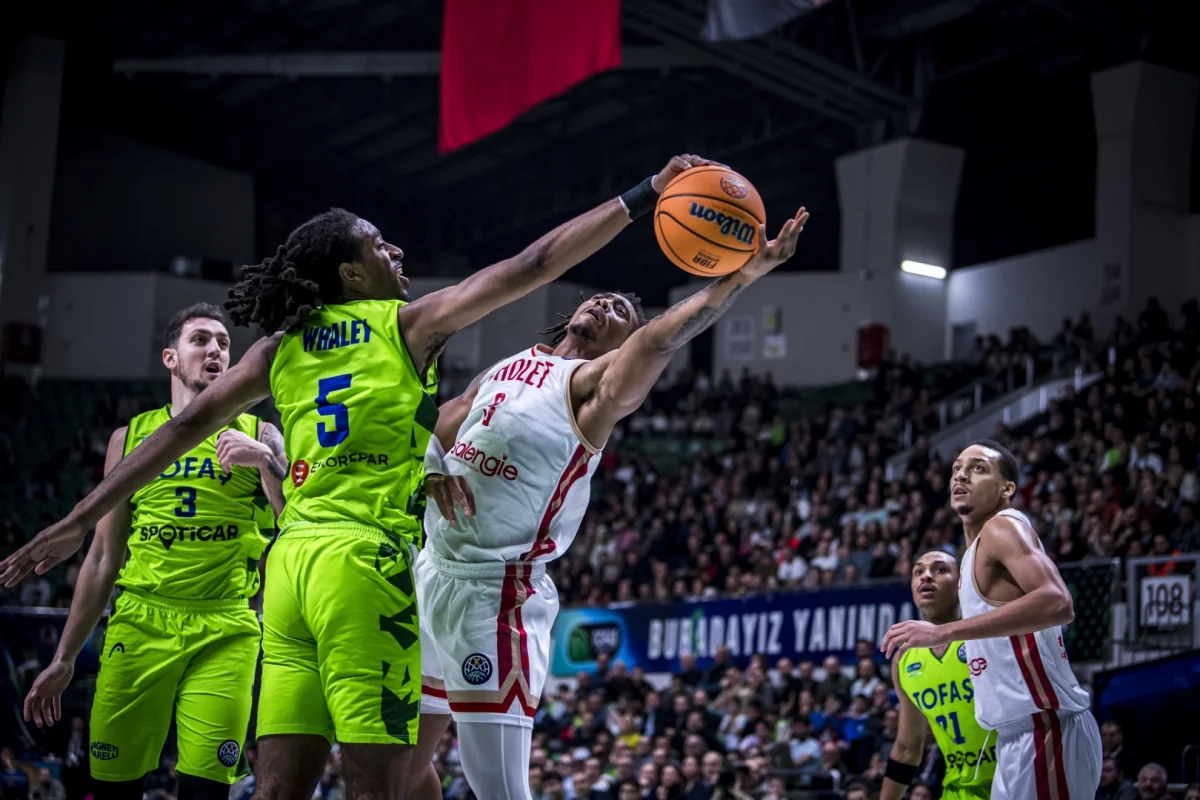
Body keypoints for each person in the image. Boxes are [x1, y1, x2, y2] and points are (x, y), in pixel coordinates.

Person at [0, 153, 713, 800]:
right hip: (361, 566)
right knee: (381, 787)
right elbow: (533, 263)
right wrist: (641, 194)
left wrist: (74, 519)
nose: (395, 251)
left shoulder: (279, 347)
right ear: (350, 273)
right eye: (378, 245)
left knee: (282, 790)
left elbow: (182, 429)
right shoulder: (403, 324)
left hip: (288, 572)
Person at [413, 206, 809, 800]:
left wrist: (744, 275)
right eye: (600, 299)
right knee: (399, 767)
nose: (606, 305)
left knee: (495, 787)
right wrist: (427, 473)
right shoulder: (508, 367)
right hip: (431, 571)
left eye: (622, 311)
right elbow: (437, 431)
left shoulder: (592, 391)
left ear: (622, 346)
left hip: (495, 595)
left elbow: (663, 334)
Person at [22, 304, 286, 800]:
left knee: (206, 791)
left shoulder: (260, 434)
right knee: (115, 788)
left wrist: (267, 462)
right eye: (201, 340)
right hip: (140, 624)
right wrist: (65, 657)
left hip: (225, 629)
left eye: (224, 344)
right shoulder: (131, 438)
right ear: (170, 358)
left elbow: (297, 524)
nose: (216, 351)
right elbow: (102, 556)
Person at [882, 440, 1102, 800]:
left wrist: (944, 631)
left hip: (1045, 728)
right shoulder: (972, 554)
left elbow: (1058, 602)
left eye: (978, 468)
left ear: (1007, 489)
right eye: (956, 468)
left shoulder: (1002, 527)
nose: (962, 474)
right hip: (1018, 739)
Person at [881, 550, 993, 800]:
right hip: (959, 790)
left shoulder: (987, 633)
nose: (926, 577)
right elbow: (908, 747)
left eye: (940, 570)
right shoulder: (905, 659)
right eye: (918, 572)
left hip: (1014, 781)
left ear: (961, 583)